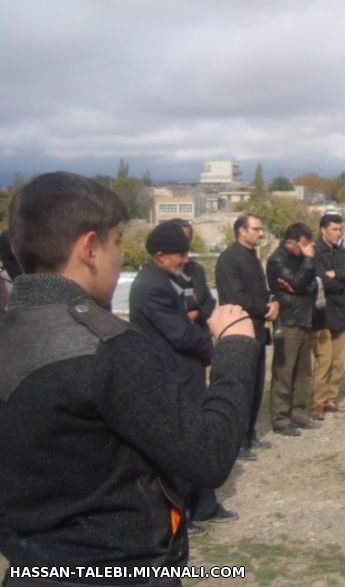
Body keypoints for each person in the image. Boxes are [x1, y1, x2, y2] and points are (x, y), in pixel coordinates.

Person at [0, 172, 257, 581]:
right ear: (89, 247)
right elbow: (207, 457)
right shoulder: (105, 348)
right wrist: (235, 347)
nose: (120, 257)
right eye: (117, 242)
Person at [130, 221, 237, 536]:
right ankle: (180, 516)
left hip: (185, 372)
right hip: (171, 374)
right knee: (181, 445)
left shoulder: (164, 279)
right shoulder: (151, 286)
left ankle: (204, 506)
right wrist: (213, 350)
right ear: (160, 255)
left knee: (196, 439)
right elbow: (180, 334)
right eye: (180, 254)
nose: (186, 260)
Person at [215, 214, 279, 461]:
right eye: (256, 229)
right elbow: (236, 296)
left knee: (255, 384)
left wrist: (272, 303)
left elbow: (260, 290)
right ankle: (237, 440)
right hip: (240, 330)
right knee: (241, 387)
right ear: (241, 231)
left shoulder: (252, 257)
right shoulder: (228, 259)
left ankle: (250, 434)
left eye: (261, 229)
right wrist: (265, 309)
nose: (260, 233)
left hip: (258, 330)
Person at [266, 223, 320, 437]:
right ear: (291, 242)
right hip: (288, 320)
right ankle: (281, 418)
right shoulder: (278, 259)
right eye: (304, 246)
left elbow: (312, 286)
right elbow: (298, 283)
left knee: (303, 372)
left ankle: (299, 413)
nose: (308, 250)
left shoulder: (301, 260)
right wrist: (306, 267)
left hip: (305, 318)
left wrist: (301, 284)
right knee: (284, 373)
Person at [310, 214, 345, 421]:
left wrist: (336, 274)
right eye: (335, 229)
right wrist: (342, 280)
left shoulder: (342, 252)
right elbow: (321, 281)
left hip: (341, 313)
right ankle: (318, 403)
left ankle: (331, 398)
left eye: (340, 230)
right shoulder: (315, 252)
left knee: (338, 361)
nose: (338, 233)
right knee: (324, 360)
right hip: (322, 315)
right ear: (323, 230)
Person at [171, 219, 216, 328]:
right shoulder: (160, 272)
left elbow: (209, 303)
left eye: (187, 239)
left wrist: (197, 313)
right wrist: (193, 300)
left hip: (199, 334)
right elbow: (167, 306)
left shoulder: (196, 269)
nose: (184, 243)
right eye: (180, 238)